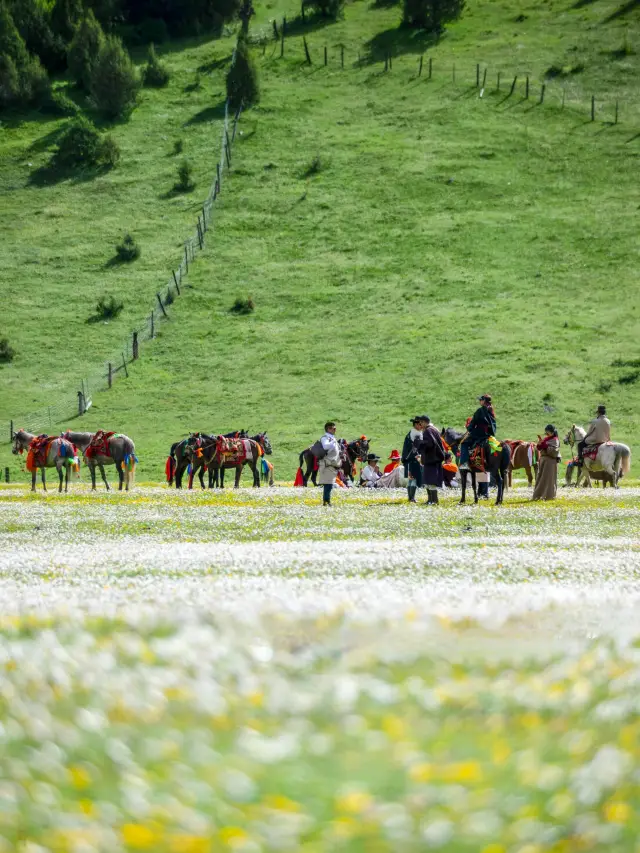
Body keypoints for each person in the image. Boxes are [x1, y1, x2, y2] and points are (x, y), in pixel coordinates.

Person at [459, 395, 497, 470]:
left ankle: (464, 464)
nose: (480, 401)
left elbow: (473, 423)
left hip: (480, 434)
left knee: (464, 443)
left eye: (480, 400)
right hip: (489, 434)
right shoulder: (491, 410)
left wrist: (469, 429)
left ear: (484, 401)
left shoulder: (480, 410)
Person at [415, 416, 446, 505]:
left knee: (430, 480)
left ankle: (434, 501)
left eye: (421, 423)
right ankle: (430, 500)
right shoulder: (434, 430)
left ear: (424, 422)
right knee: (428, 480)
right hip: (434, 459)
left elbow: (430, 444)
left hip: (431, 459)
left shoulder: (428, 431)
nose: (420, 425)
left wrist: (419, 444)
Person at [532, 425, 561, 501]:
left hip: (550, 462)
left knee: (548, 479)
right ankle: (538, 495)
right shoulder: (546, 439)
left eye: (548, 432)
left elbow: (554, 452)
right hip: (543, 461)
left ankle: (549, 496)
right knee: (541, 478)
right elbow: (540, 448)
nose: (546, 433)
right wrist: (540, 444)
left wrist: (545, 445)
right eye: (546, 432)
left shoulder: (555, 440)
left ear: (552, 432)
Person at [318, 421, 342, 506]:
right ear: (329, 429)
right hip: (327, 464)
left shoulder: (331, 438)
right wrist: (333, 442)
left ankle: (327, 501)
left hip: (332, 464)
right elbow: (325, 446)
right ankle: (326, 501)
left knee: (330, 483)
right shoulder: (325, 438)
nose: (335, 430)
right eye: (334, 428)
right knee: (328, 484)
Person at [403, 416, 426, 503]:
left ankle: (410, 497)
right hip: (413, 459)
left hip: (407, 459)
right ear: (416, 424)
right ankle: (412, 498)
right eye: (420, 424)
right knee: (414, 478)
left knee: (410, 479)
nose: (421, 426)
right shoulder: (416, 433)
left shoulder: (412, 432)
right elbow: (417, 447)